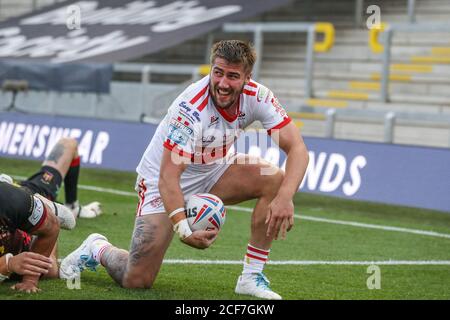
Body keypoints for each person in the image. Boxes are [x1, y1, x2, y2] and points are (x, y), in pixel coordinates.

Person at [60, 40, 309, 300]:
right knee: (136, 280)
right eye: (218, 72)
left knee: (277, 181)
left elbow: (298, 150)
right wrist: (183, 229)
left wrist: (285, 197)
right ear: (211, 69)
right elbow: (169, 177)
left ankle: (250, 278)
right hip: (163, 181)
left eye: (233, 76)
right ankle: (97, 248)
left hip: (215, 169)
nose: (223, 83)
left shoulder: (258, 96)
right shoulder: (190, 108)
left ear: (247, 78)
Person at [0, 137, 102, 219]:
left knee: (68, 143)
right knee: (69, 144)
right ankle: (71, 206)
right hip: (28, 197)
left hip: (16, 190)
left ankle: (70, 205)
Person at [0, 181, 68, 293]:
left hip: (14, 221)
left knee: (50, 269)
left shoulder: (11, 200)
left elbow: (52, 227)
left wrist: (30, 280)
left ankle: (44, 210)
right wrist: (8, 264)